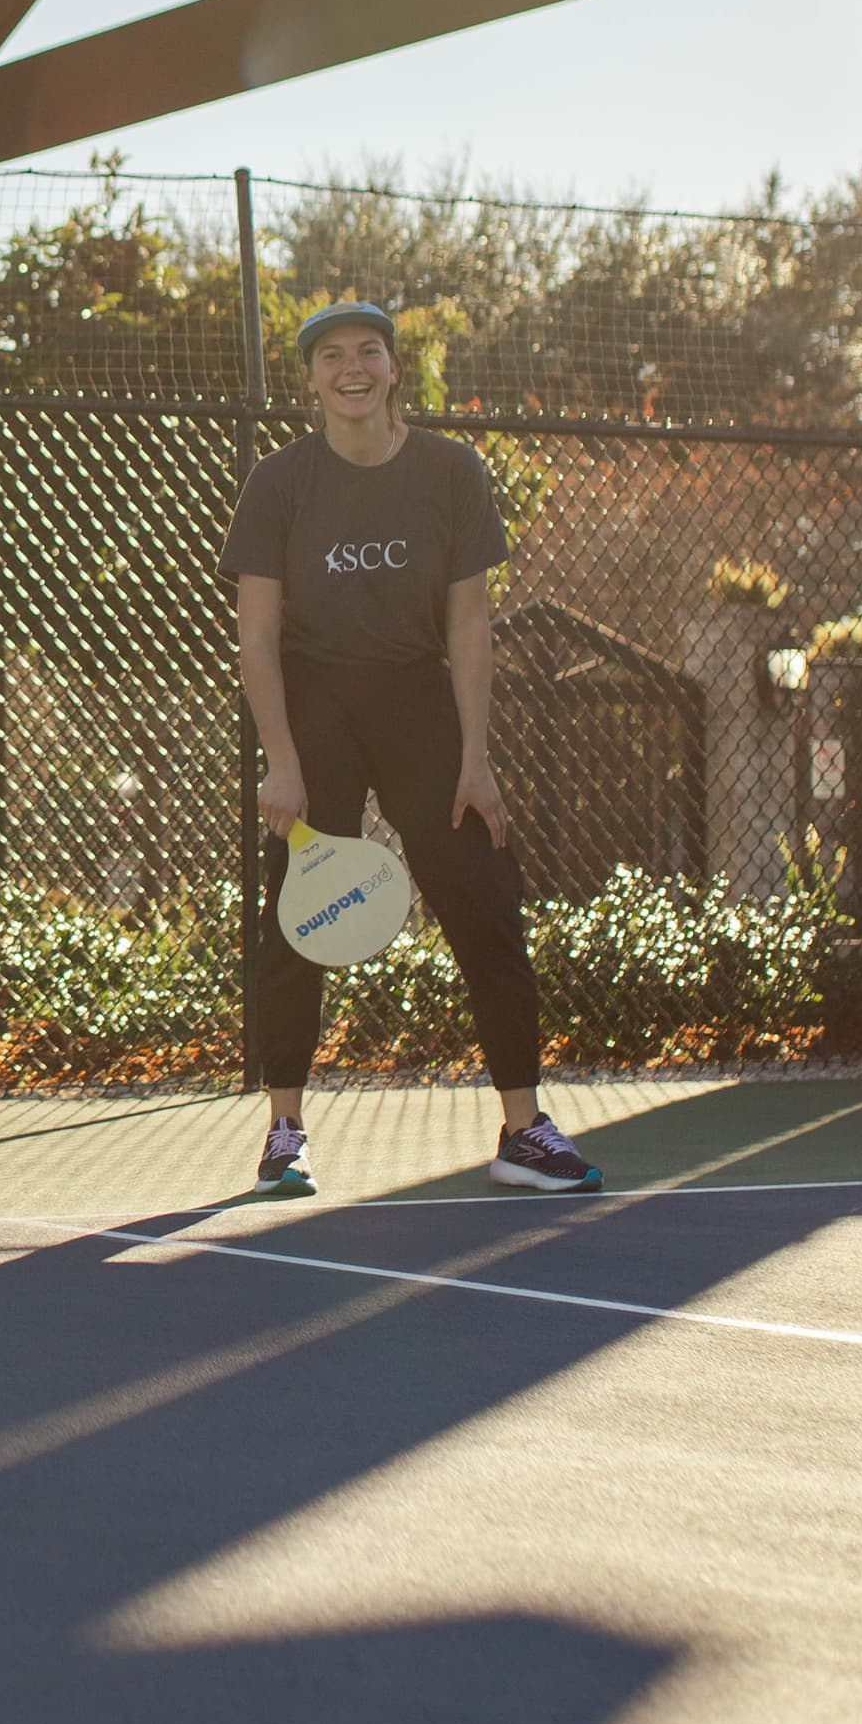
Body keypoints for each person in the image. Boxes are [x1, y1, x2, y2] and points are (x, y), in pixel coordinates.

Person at [220, 302, 599, 1201]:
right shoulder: (278, 482)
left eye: (369, 353)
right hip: (315, 703)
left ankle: (523, 1131)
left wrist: (477, 756)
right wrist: (281, 759)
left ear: (394, 371)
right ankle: (284, 1133)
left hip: (418, 701)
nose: (352, 368)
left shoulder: (450, 471)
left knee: (486, 901)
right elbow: (257, 635)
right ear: (310, 380)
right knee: (297, 921)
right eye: (333, 357)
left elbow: (470, 625)